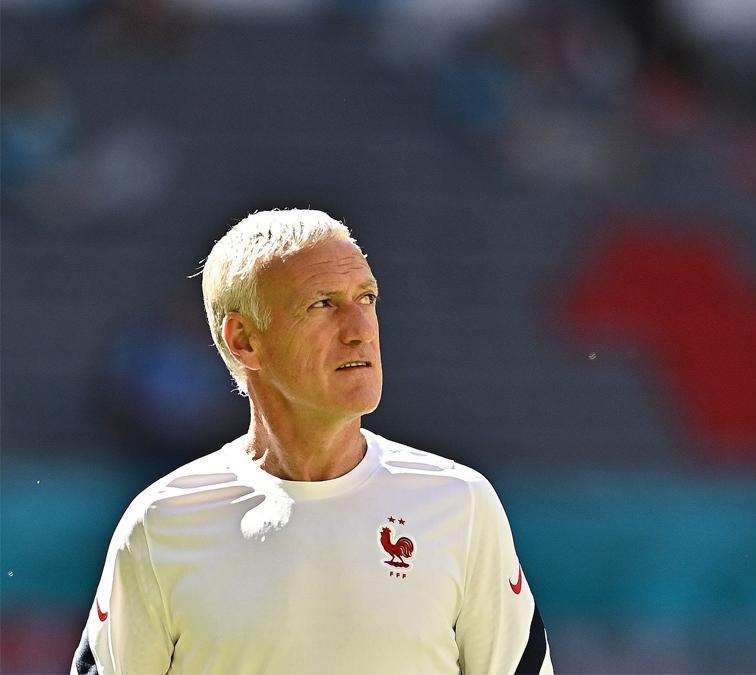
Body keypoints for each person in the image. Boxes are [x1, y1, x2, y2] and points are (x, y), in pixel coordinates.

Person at [73, 209, 551, 674]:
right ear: (243, 340)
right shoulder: (161, 522)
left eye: (367, 299)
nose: (361, 330)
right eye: (322, 304)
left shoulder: (461, 503)